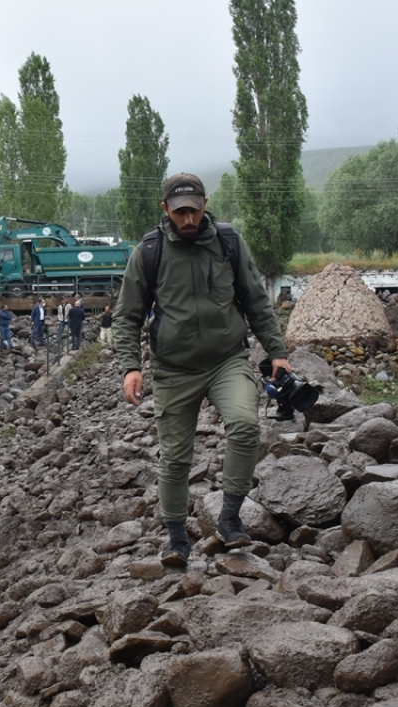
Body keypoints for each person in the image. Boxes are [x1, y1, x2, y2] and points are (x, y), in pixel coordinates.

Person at [113, 172, 293, 567]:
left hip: (227, 359)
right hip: (174, 369)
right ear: (166, 209)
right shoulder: (149, 252)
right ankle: (177, 540)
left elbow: (256, 300)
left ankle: (229, 519)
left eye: (194, 210)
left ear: (205, 204)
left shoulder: (228, 242)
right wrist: (131, 366)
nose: (189, 219)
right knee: (176, 457)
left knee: (245, 425)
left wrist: (277, 351)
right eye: (180, 212)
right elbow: (126, 316)